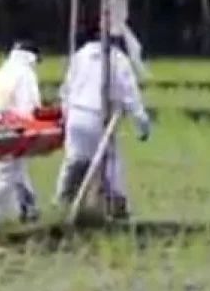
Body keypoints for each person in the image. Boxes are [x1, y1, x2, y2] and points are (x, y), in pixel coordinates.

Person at [56, 21, 151, 220]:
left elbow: (66, 91)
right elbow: (130, 95)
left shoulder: (79, 56)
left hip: (76, 115)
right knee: (110, 164)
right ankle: (118, 208)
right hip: (98, 116)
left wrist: (66, 117)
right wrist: (142, 124)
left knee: (74, 162)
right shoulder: (117, 59)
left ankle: (62, 202)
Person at [0, 40, 42, 227]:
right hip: (11, 132)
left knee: (18, 172)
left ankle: (29, 209)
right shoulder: (25, 74)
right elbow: (30, 108)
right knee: (2, 178)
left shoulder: (2, 72)